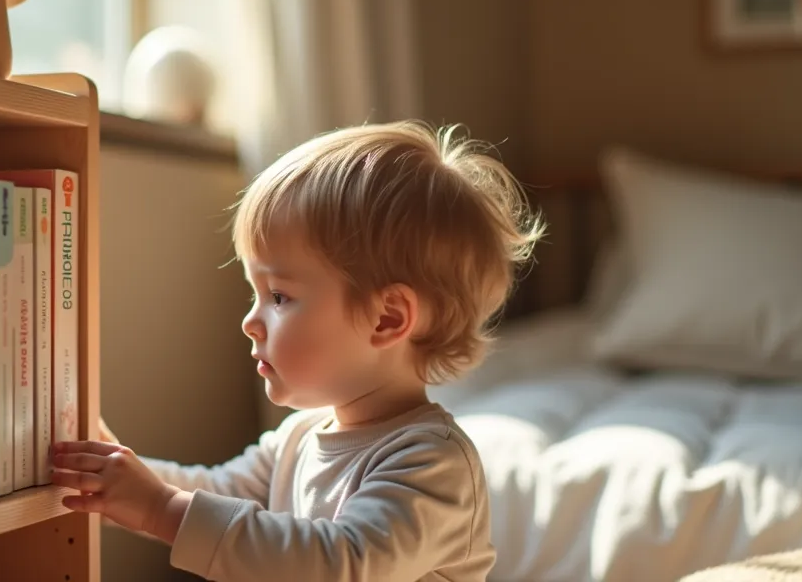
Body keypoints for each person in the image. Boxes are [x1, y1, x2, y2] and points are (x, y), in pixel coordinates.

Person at [51, 120, 546, 581]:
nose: (250, 321)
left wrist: (160, 509)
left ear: (387, 318)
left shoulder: (433, 464)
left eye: (279, 297)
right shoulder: (298, 438)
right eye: (256, 293)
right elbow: (213, 490)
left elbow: (336, 562)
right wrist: (114, 473)